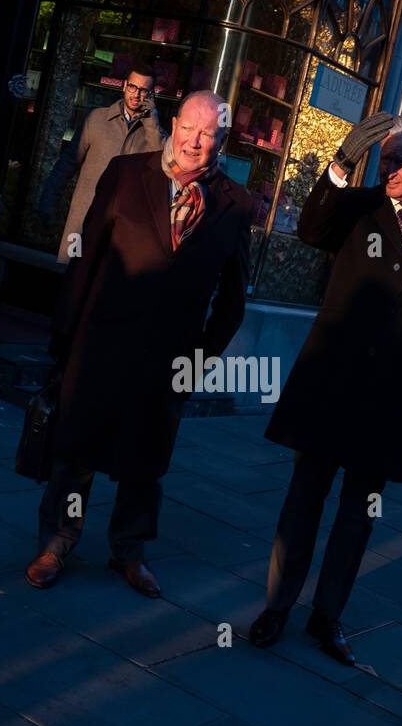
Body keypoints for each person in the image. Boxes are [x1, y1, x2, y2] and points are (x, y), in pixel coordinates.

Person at [248, 112, 402, 665]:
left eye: (401, 159)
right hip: (333, 386)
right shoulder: (358, 208)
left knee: (360, 513)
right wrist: (342, 162)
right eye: (385, 158)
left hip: (389, 400)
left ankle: (327, 617)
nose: (390, 167)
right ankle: (277, 607)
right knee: (304, 498)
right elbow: (310, 230)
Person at [23, 91, 252, 597]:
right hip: (102, 342)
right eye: (188, 128)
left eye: (207, 133)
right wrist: (65, 338)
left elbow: (233, 300)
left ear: (221, 139)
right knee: (77, 450)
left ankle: (128, 551)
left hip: (170, 359)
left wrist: (197, 360)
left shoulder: (237, 205)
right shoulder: (127, 175)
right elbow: (86, 259)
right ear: (174, 124)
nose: (194, 141)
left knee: (145, 462)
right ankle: (57, 542)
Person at [38, 59, 167, 264]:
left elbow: (162, 167)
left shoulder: (153, 133)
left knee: (98, 286)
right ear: (124, 86)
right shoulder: (97, 119)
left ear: (151, 95)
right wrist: (48, 201)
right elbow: (67, 164)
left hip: (120, 231)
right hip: (81, 223)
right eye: (133, 86)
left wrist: (152, 123)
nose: (137, 94)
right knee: (69, 276)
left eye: (144, 90)